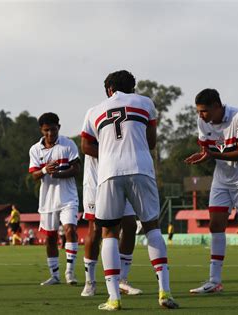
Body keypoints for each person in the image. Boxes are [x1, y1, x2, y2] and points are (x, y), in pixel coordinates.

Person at [81, 70, 178, 311]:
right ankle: (164, 291)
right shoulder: (145, 103)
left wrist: (109, 153)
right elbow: (152, 142)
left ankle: (114, 298)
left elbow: (86, 144)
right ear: (132, 88)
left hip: (109, 172)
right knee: (151, 226)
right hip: (141, 168)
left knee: (108, 233)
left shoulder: (94, 111)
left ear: (109, 90)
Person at [184, 88, 238, 295]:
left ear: (217, 106)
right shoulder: (203, 122)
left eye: (204, 111)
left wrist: (210, 154)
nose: (201, 115)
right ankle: (214, 281)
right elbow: (206, 149)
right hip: (221, 179)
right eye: (198, 111)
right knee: (215, 225)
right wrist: (203, 155)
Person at [80, 149, 142, 297]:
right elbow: (86, 146)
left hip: (122, 175)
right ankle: (90, 282)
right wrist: (115, 149)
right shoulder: (91, 123)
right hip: (97, 181)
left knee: (130, 225)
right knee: (95, 230)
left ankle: (122, 280)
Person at [28, 112, 80, 286]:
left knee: (70, 230)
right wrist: (44, 171)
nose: (50, 133)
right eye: (46, 130)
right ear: (41, 130)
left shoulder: (68, 144)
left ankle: (70, 272)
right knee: (50, 237)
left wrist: (57, 173)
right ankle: (55, 275)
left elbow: (76, 169)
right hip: (47, 200)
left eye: (53, 129)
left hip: (68, 197)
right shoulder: (35, 149)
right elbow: (34, 175)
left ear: (59, 126)